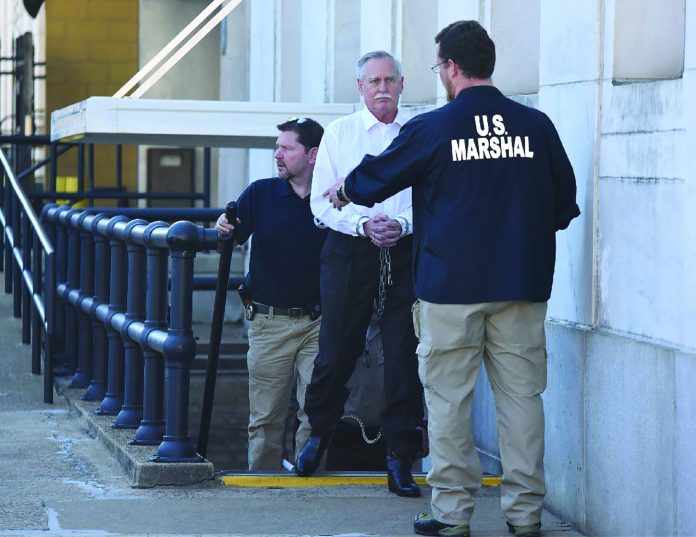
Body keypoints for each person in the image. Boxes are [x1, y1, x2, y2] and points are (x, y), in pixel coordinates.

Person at [327, 21, 581, 537]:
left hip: (450, 289)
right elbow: (562, 205)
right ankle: (525, 516)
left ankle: (451, 514)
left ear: (451, 68)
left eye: (438, 66)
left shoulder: (434, 127)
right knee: (522, 403)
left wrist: (344, 191)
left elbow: (378, 174)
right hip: (522, 285)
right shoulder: (537, 126)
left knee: (448, 403)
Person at [295, 50, 425, 498]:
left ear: (403, 85)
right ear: (360, 87)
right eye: (374, 81)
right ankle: (319, 433)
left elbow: (427, 199)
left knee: (403, 354)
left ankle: (399, 454)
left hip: (403, 249)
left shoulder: (419, 132)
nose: (383, 87)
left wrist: (401, 225)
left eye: (390, 80)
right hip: (350, 249)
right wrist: (363, 224)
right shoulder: (339, 133)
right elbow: (320, 205)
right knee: (335, 348)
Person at [216, 117, 326, 471]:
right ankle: (261, 494)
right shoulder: (260, 193)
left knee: (317, 414)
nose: (277, 155)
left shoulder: (332, 194)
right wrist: (221, 227)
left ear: (312, 155)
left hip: (319, 321)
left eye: (286, 148)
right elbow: (231, 235)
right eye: (277, 147)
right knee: (265, 420)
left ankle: (312, 490)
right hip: (268, 321)